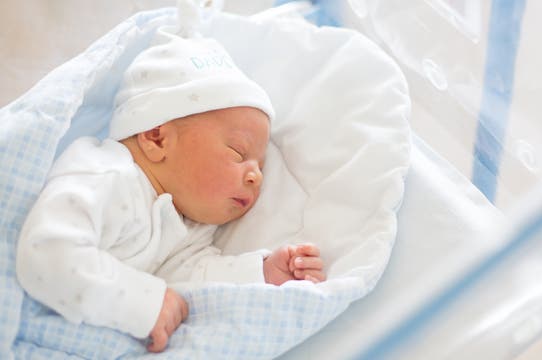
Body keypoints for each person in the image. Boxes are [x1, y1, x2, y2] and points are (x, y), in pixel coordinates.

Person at [15, 27, 325, 353]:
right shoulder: (105, 175)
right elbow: (46, 253)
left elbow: (192, 276)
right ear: (157, 138)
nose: (256, 177)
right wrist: (142, 303)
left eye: (260, 166)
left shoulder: (189, 227)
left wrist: (262, 272)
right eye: (238, 153)